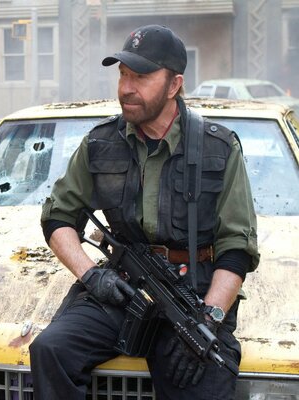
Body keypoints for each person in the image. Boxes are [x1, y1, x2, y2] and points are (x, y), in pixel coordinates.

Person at [29, 25, 259, 400]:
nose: (126, 88)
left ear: (174, 85)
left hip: (192, 296)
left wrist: (209, 318)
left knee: (203, 375)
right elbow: (58, 217)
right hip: (120, 288)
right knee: (50, 349)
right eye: (122, 75)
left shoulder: (220, 148)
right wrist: (91, 276)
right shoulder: (100, 143)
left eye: (141, 76)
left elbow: (236, 247)